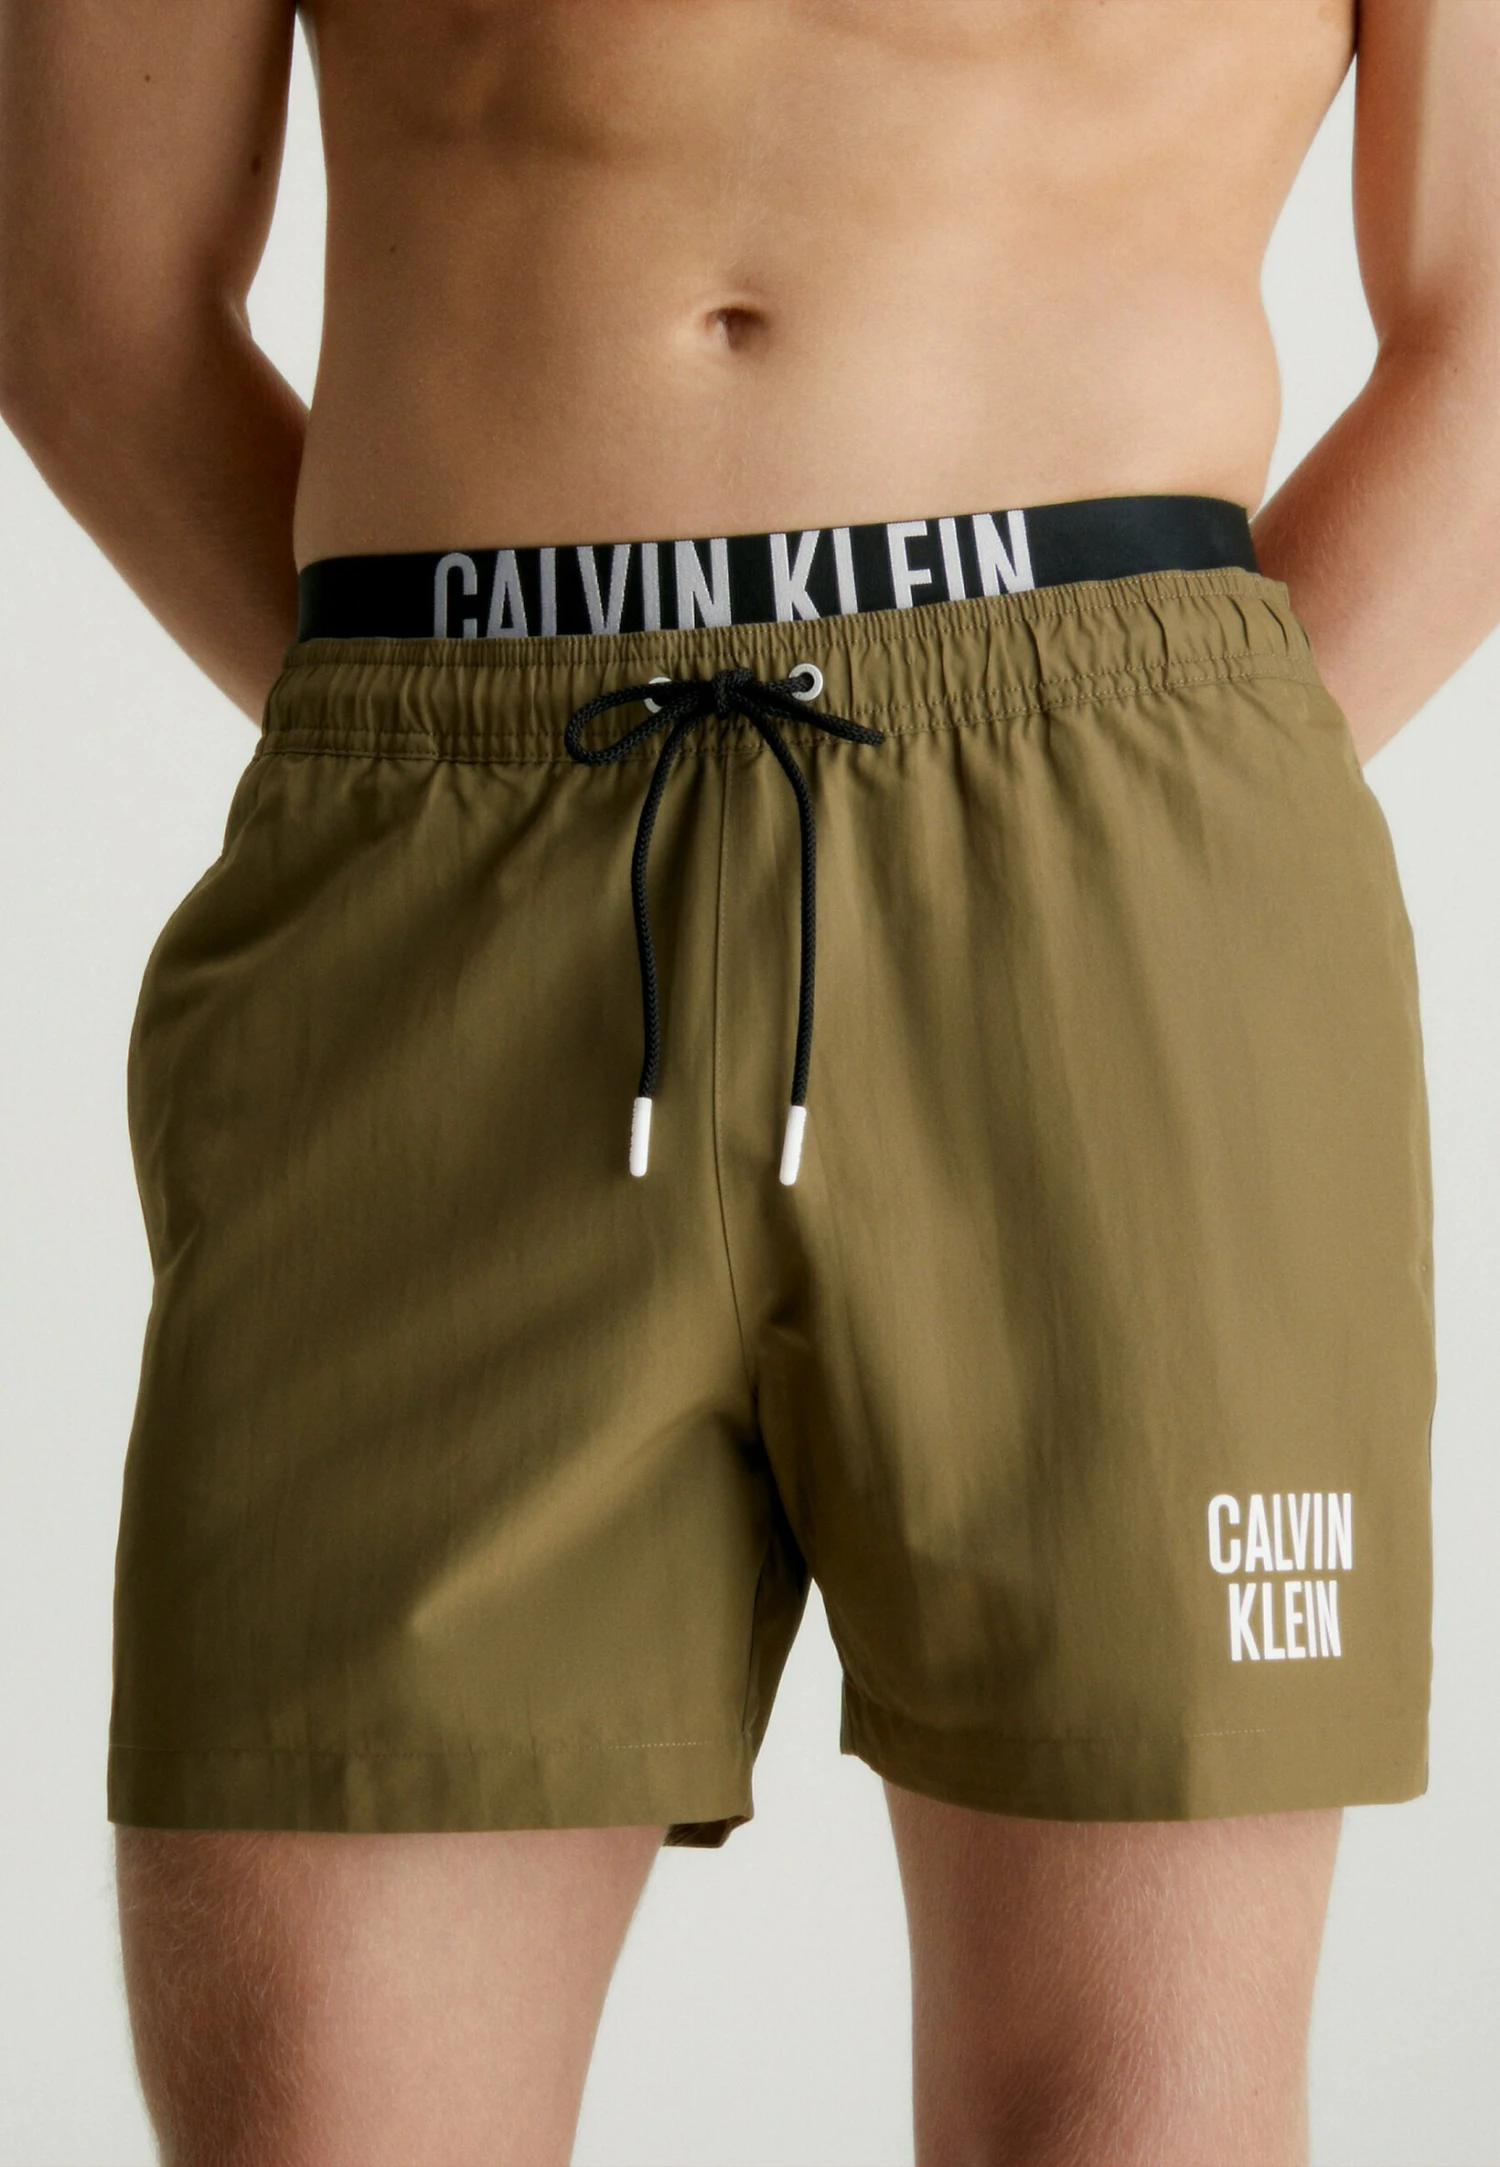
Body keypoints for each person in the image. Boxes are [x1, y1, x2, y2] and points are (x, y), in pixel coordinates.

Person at [0, 1, 1493, 2160]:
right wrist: (462, 764)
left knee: (1135, 2122)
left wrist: (1162, 790)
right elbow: (86, 298)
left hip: (1124, 866)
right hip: (450, 847)